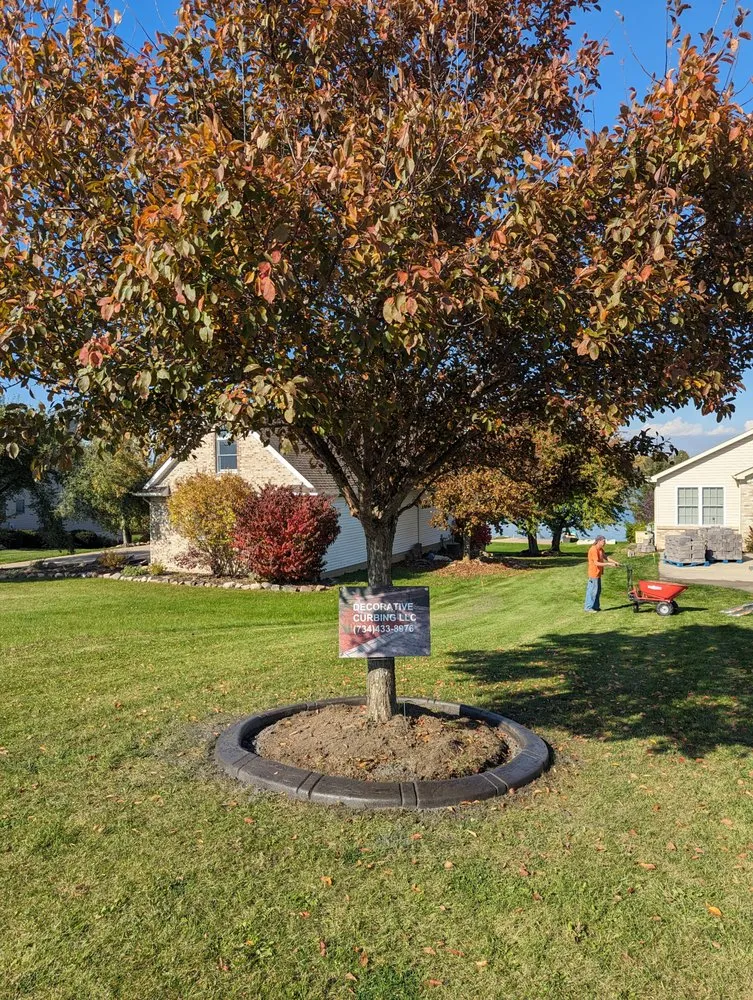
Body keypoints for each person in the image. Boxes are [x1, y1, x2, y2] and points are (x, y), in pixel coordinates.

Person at [584, 535, 620, 612]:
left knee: (597, 590)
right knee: (593, 591)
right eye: (604, 541)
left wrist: (615, 562)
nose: (605, 543)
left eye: (605, 541)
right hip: (593, 573)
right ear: (599, 541)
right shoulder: (593, 549)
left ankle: (596, 607)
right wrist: (609, 564)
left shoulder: (600, 549)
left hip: (598, 573)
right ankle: (588, 607)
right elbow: (596, 563)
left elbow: (606, 557)